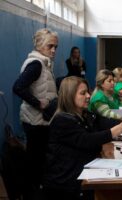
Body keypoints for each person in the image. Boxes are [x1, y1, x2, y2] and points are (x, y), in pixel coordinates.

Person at [43, 76, 122, 200]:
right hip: (68, 182)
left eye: (88, 92)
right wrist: (121, 128)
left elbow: (105, 125)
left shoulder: (85, 115)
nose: (88, 96)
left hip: (82, 173)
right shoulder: (62, 120)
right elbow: (87, 140)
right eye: (83, 93)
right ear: (69, 96)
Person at [12, 28, 58, 199]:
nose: (53, 50)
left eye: (56, 47)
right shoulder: (36, 64)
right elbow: (17, 87)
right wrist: (39, 103)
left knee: (37, 161)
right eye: (50, 46)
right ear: (39, 45)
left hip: (39, 121)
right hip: (35, 122)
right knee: (35, 162)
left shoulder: (43, 62)